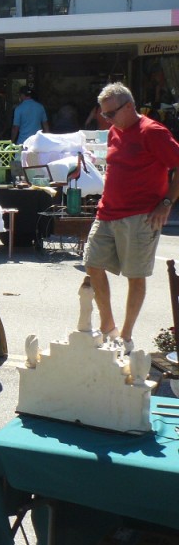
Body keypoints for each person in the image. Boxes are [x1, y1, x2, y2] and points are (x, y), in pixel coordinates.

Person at [83, 82, 179, 351]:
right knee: (92, 263)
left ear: (129, 107)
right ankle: (108, 326)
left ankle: (125, 336)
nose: (107, 119)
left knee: (135, 275)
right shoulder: (115, 131)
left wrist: (167, 202)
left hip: (141, 215)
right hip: (107, 211)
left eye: (110, 114)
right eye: (104, 115)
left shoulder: (153, 131)